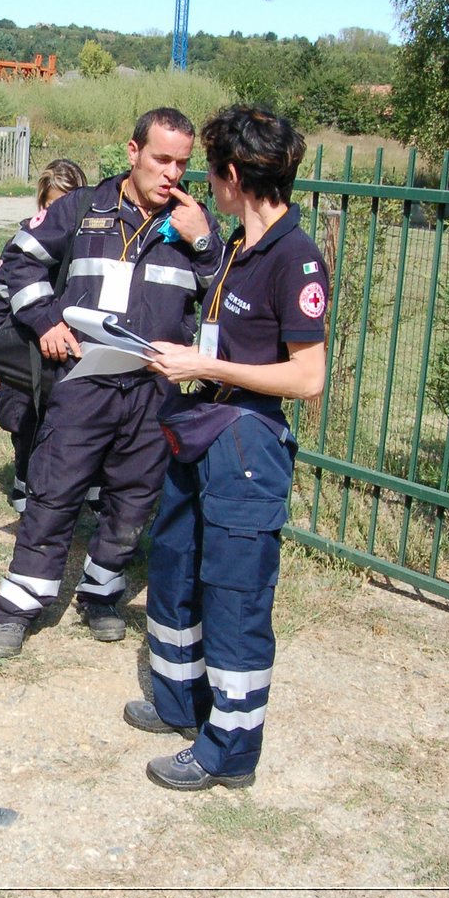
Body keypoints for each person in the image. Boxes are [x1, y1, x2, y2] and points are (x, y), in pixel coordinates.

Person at [124, 104, 327, 791]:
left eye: (208, 173)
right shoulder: (241, 243)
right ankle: (180, 701)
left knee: (235, 597)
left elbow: (307, 377)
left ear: (233, 174)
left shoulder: (295, 257)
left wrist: (205, 369)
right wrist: (185, 358)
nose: (201, 184)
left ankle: (228, 750)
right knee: (176, 566)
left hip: (248, 441)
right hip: (203, 427)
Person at [0, 108, 222, 657]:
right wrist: (45, 320)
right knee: (52, 493)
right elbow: (18, 264)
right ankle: (19, 607)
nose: (172, 174)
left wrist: (205, 244)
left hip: (152, 388)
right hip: (83, 380)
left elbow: (220, 303)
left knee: (133, 501)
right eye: (161, 159)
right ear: (132, 151)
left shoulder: (194, 222)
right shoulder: (81, 207)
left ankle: (100, 593)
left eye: (182, 164)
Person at [0, 158, 94, 514]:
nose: (59, 213)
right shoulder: (22, 244)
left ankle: (91, 491)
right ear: (40, 204)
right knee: (24, 420)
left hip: (75, 352)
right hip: (25, 349)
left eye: (68, 204)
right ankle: (25, 481)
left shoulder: (94, 244)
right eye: (51, 204)